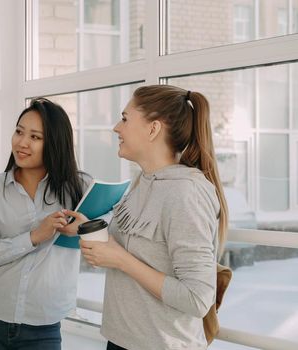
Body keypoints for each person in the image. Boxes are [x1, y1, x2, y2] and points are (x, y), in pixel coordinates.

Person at [77, 85, 228, 350]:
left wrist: (120, 259)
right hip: (121, 341)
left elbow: (197, 298)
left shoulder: (185, 193)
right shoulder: (143, 181)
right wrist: (87, 232)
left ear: (153, 129)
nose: (116, 128)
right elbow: (142, 248)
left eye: (124, 119)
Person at [0, 98, 90, 350]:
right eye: (19, 131)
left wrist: (85, 231)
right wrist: (33, 236)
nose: (22, 142)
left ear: (54, 143)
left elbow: (108, 235)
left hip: (44, 326)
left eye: (35, 137)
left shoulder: (80, 188)